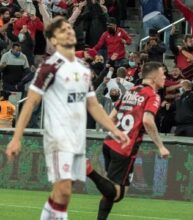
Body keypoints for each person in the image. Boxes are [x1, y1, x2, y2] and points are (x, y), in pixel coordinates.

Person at [5, 16, 129, 220]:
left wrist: (114, 130)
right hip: (57, 137)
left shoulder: (82, 68)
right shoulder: (50, 67)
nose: (69, 32)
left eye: (69, 28)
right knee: (63, 191)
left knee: (62, 195)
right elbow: (30, 102)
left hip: (76, 139)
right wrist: (17, 137)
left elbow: (93, 105)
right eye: (63, 30)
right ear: (54, 41)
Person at [86, 61, 170, 220]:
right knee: (117, 194)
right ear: (153, 78)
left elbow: (110, 118)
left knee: (109, 191)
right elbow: (147, 121)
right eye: (162, 74)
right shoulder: (152, 95)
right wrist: (161, 146)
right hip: (125, 147)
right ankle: (89, 170)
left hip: (109, 143)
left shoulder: (130, 91)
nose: (165, 77)